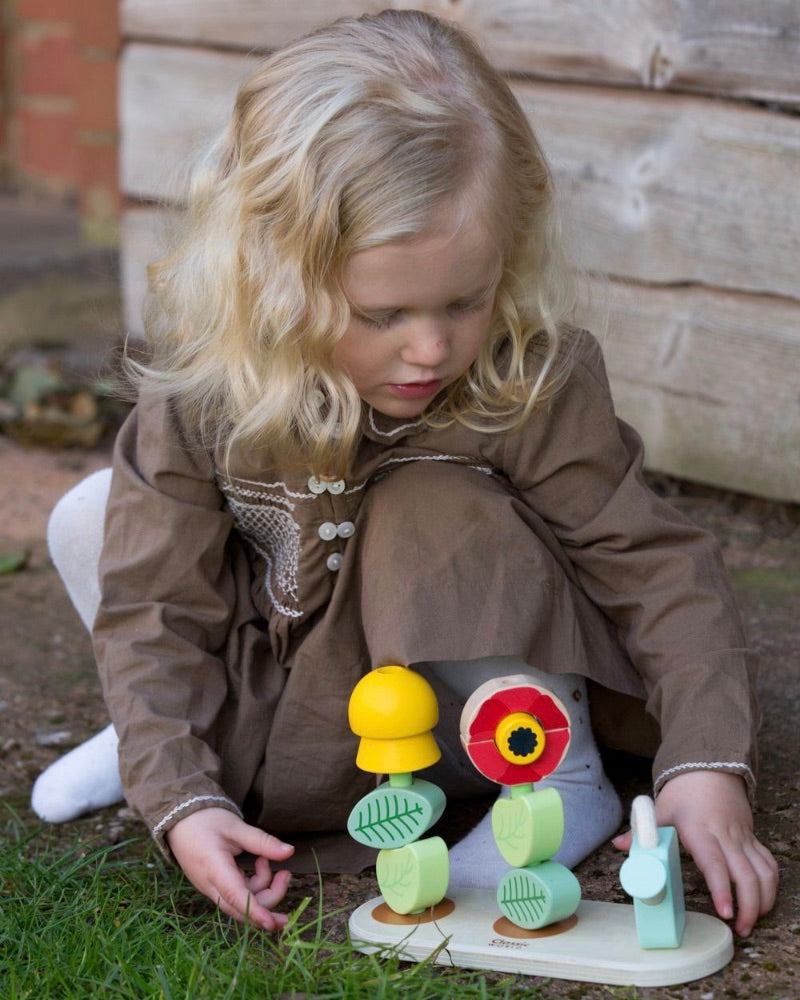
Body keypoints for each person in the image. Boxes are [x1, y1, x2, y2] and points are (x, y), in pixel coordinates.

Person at [31, 9, 777, 937]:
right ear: (275, 276)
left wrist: (706, 764)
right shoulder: (206, 386)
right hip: (287, 687)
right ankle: (163, 741)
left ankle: (561, 777)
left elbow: (656, 565)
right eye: (382, 312)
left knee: (430, 500)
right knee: (96, 514)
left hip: (461, 718)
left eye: (463, 300)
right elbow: (155, 604)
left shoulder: (520, 376)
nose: (429, 347)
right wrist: (183, 800)